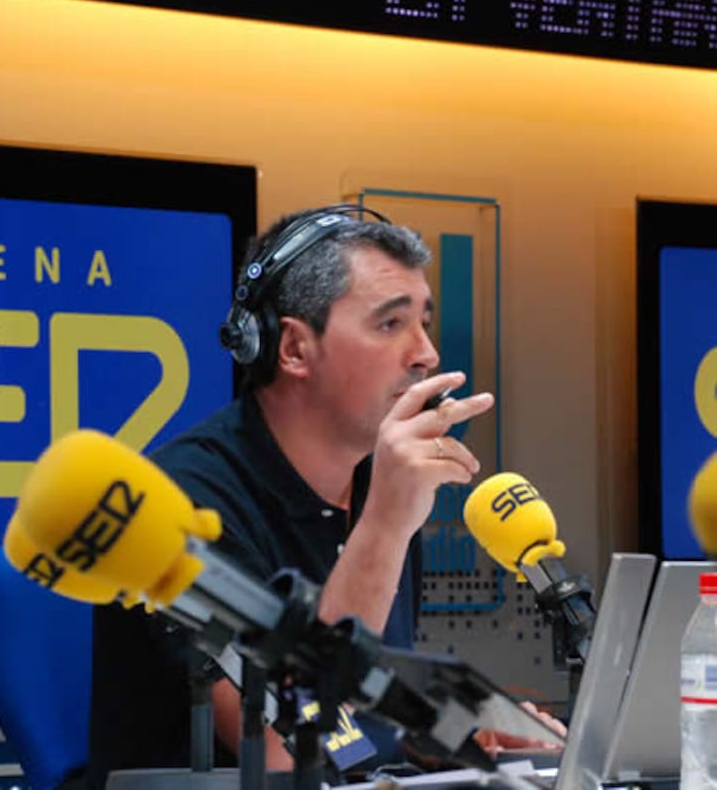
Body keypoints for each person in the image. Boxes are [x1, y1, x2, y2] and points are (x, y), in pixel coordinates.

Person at [88, 206, 496, 786]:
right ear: (294, 349)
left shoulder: (377, 487)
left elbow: (369, 706)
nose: (426, 353)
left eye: (423, 323)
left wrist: (457, 738)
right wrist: (384, 528)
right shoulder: (177, 505)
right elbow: (286, 746)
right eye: (390, 323)